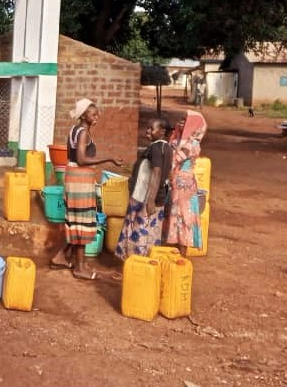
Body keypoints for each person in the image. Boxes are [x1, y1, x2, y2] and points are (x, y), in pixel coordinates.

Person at [49, 98, 122, 280]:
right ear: (83, 115)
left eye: (97, 114)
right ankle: (80, 267)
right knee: (83, 221)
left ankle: (61, 257)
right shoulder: (83, 133)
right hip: (80, 178)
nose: (96, 117)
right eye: (93, 114)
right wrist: (108, 159)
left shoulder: (74, 130)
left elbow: (73, 158)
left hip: (73, 176)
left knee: (76, 219)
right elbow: (81, 159)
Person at [115, 118, 172, 260]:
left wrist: (150, 200)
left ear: (162, 131)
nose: (147, 131)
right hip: (155, 198)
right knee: (150, 234)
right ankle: (145, 267)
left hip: (144, 199)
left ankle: (133, 266)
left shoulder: (156, 147)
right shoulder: (167, 148)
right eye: (147, 128)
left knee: (138, 233)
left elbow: (157, 172)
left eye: (151, 128)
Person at [164, 110, 207, 257]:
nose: (180, 122)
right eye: (181, 120)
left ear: (193, 125)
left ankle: (182, 253)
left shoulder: (192, 144)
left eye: (184, 121)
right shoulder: (176, 139)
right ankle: (175, 249)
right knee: (174, 214)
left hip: (185, 186)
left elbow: (174, 159)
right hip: (176, 183)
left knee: (184, 217)